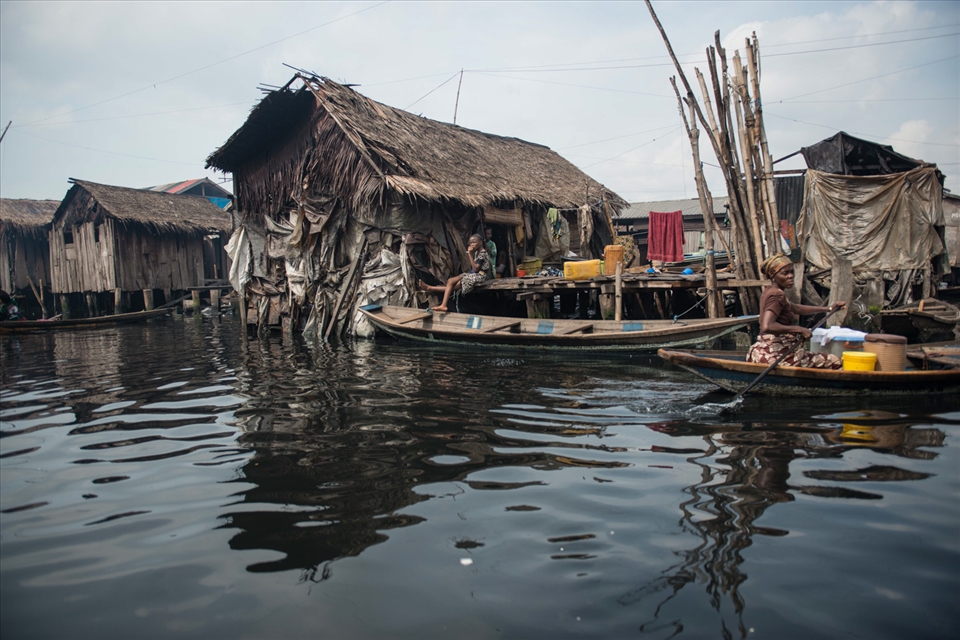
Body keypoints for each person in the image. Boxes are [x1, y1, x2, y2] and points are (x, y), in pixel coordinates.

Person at [746, 254, 845, 369]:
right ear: (773, 276)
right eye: (785, 273)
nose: (790, 276)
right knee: (837, 362)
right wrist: (799, 329)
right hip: (778, 354)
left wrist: (829, 308)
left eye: (792, 272)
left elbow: (796, 308)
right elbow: (767, 326)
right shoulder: (776, 295)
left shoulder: (772, 291)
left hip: (766, 350)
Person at [418, 234, 491, 312]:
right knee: (451, 280)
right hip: (474, 274)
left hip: (480, 276)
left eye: (474, 242)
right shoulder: (477, 252)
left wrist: (469, 255)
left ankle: (432, 290)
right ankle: (442, 303)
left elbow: (476, 269)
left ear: (480, 242)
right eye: (471, 243)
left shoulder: (483, 254)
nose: (472, 245)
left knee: (453, 287)